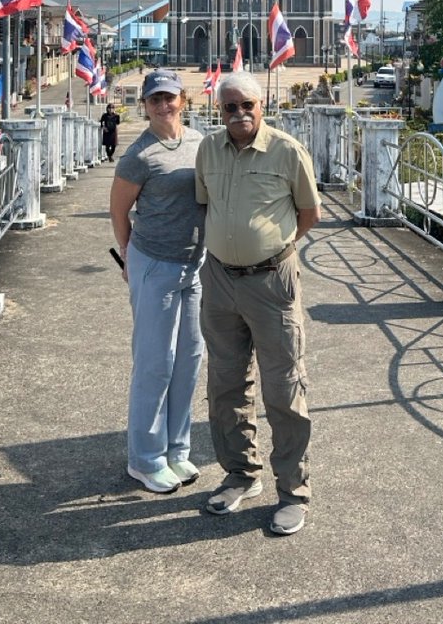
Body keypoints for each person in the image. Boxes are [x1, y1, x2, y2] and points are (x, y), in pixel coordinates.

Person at [195, 70, 320, 536]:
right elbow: (206, 203)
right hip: (220, 281)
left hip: (271, 283)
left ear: (261, 105)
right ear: (219, 110)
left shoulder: (287, 150)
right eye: (230, 107)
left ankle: (293, 491)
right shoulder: (208, 149)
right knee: (225, 385)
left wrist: (271, 249)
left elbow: (310, 213)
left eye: (247, 104)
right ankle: (240, 474)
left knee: (283, 388)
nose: (240, 113)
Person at [110, 69, 207, 494]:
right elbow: (118, 212)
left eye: (169, 98)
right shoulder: (139, 155)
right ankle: (145, 459)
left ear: (182, 100)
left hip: (193, 266)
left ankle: (177, 450)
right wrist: (131, 257)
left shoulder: (199, 143)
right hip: (155, 265)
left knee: (189, 359)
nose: (163, 106)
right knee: (155, 363)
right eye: (155, 100)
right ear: (145, 106)